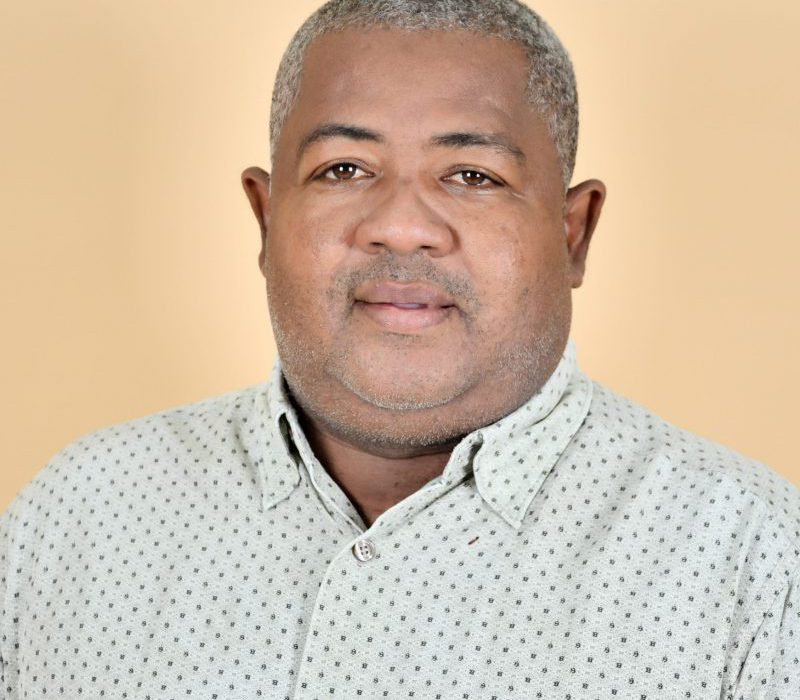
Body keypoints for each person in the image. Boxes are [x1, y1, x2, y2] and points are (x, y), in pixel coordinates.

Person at [2, 0, 798, 697]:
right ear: (265, 219)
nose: (402, 226)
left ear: (573, 233)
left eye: (473, 175)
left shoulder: (757, 568)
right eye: (344, 168)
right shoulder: (74, 519)